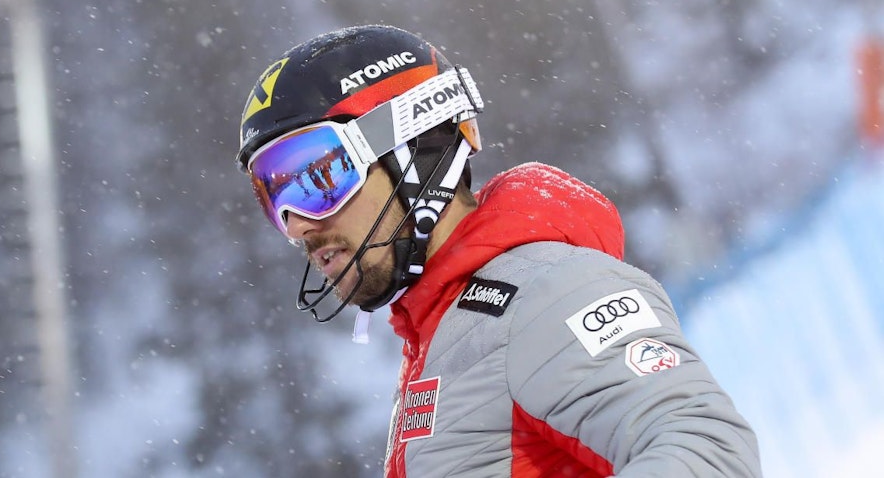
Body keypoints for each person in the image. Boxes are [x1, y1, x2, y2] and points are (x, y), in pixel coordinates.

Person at [235, 24, 762, 477]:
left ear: (414, 151)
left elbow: (705, 448)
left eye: (317, 175)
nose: (296, 223)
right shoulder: (446, 332)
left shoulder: (545, 295)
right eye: (272, 194)